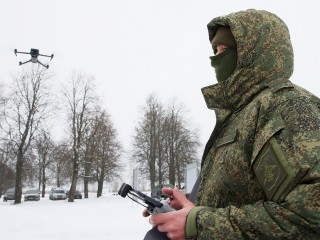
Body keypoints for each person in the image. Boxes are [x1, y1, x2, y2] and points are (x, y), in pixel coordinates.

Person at [143, 9, 320, 239]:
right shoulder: (240, 116)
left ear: (254, 53)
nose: (216, 59)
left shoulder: (285, 108)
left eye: (224, 50)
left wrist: (199, 224)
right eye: (215, 50)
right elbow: (242, 197)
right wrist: (189, 208)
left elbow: (311, 214)